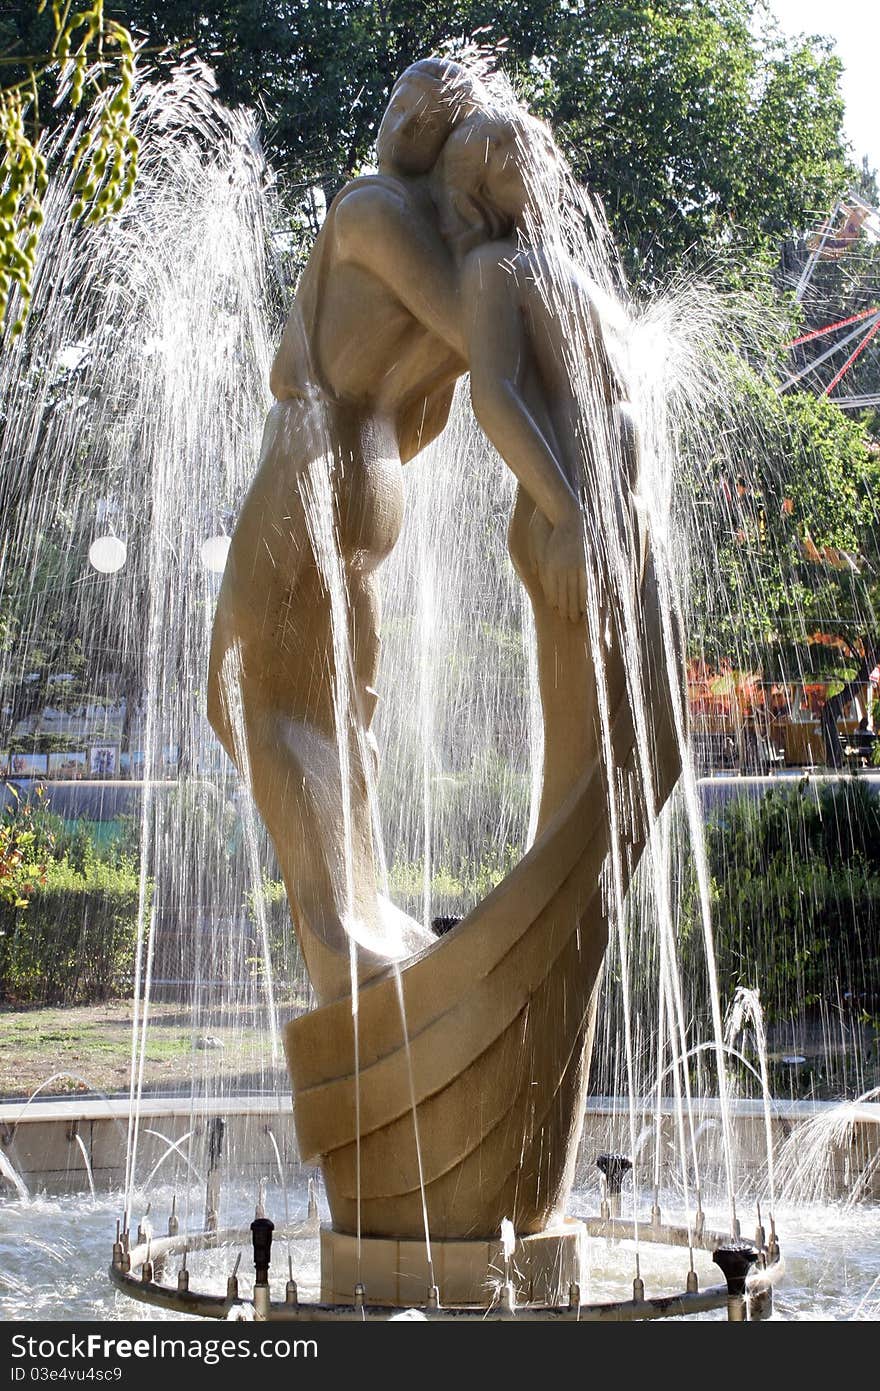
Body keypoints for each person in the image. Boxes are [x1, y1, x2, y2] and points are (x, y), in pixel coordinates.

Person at [208, 59, 492, 1005]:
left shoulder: (369, 210)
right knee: (343, 713)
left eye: (424, 108)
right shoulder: (456, 256)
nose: (399, 113)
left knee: (237, 688)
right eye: (400, 96)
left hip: (312, 450)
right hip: (374, 476)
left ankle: (337, 940)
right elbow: (466, 372)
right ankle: (374, 914)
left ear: (442, 140)